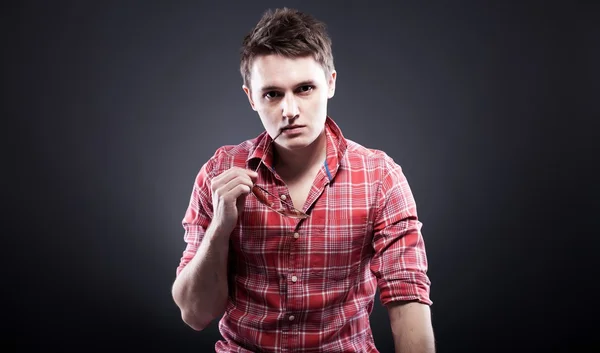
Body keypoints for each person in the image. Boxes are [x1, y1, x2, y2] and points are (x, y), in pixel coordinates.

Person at [172, 7, 435, 353]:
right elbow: (194, 314)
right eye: (273, 94)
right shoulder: (219, 172)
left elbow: (408, 302)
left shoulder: (380, 178)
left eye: (305, 88)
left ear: (331, 84)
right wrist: (221, 228)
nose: (290, 110)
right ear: (251, 98)